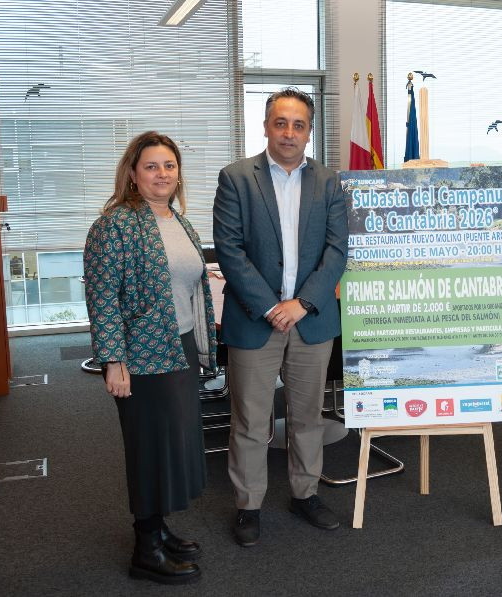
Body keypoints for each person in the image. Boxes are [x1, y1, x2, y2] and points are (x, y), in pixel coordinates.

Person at [213, 87, 347, 546]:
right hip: (255, 319)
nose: (289, 133)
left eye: (298, 125)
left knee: (307, 417)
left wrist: (302, 303)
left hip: (311, 320)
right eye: (281, 123)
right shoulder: (236, 178)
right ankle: (248, 505)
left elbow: (337, 251)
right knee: (251, 420)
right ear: (266, 127)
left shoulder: (329, 182)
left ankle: (305, 494)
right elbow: (229, 250)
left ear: (309, 132)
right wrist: (272, 307)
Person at [84, 131, 217, 584]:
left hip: (179, 345)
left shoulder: (179, 220)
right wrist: (112, 360)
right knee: (147, 448)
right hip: (140, 356)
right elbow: (102, 297)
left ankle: (158, 530)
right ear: (133, 174)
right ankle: (146, 550)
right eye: (152, 166)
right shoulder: (115, 225)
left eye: (169, 166)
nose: (162, 174)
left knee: (171, 445)